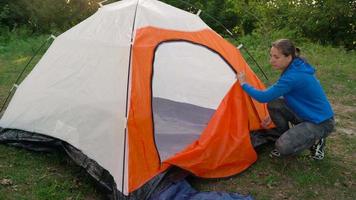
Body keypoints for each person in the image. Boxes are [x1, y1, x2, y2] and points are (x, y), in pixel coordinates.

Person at [236, 39, 335, 160]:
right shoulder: (295, 65)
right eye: (271, 56)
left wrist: (243, 84)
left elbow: (263, 97)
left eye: (276, 57)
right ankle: (287, 136)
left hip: (321, 122)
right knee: (274, 104)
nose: (271, 60)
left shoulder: (293, 76)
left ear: (288, 57)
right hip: (307, 114)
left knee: (283, 147)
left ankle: (316, 140)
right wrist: (270, 115)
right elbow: (285, 95)